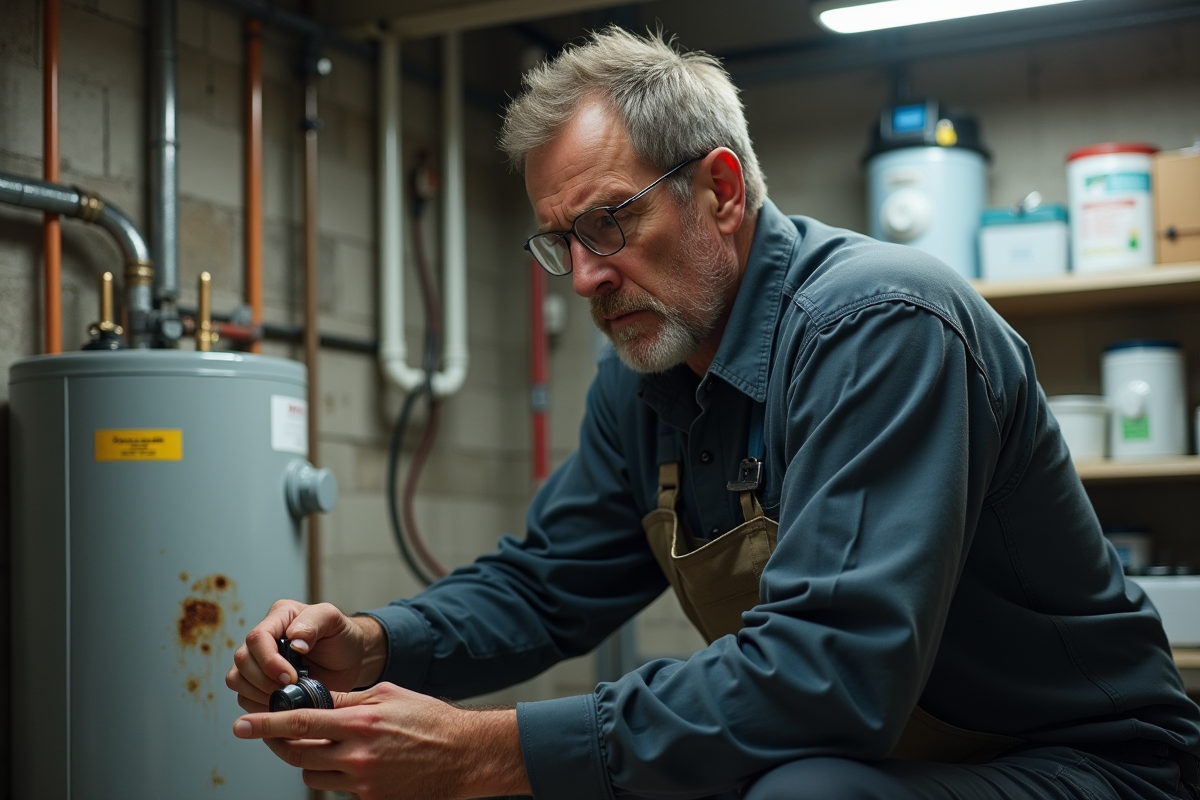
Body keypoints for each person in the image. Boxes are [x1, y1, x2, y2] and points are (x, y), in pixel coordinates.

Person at [226, 27, 1200, 800]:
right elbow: (545, 584)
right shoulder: (643, 376)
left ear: (721, 189)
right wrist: (376, 640)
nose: (587, 277)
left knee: (798, 787)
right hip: (886, 755)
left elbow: (830, 670)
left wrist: (488, 749)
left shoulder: (878, 326)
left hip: (1088, 761)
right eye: (562, 242)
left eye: (611, 221)